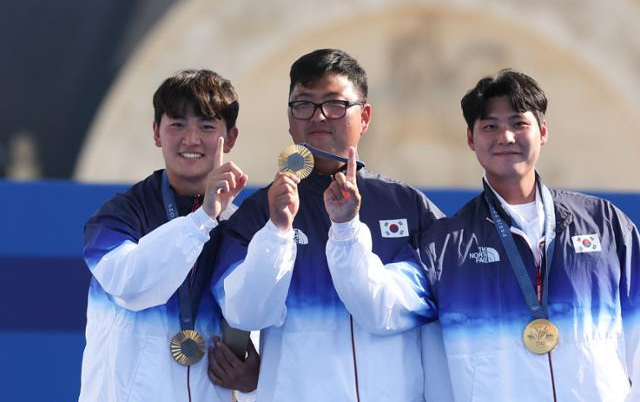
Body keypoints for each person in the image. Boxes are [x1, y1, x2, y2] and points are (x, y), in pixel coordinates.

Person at [211, 48, 445, 401]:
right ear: (290, 120)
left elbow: (392, 312)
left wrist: (347, 227)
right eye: (304, 105)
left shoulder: (408, 207)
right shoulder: (260, 211)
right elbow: (243, 313)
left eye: (335, 104)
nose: (319, 117)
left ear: (364, 117)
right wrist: (276, 232)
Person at [415, 69, 639, 400]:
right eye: (490, 126)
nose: (506, 136)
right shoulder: (446, 243)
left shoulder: (603, 222)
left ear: (543, 131)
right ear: (470, 139)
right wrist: (347, 231)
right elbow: (380, 310)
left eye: (519, 123)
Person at [79, 69, 259, 401]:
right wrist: (203, 219)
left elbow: (252, 314)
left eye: (206, 126)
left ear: (230, 138)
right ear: (156, 133)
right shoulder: (118, 216)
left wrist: (255, 379)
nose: (191, 139)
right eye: (177, 124)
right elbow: (130, 287)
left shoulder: (243, 230)